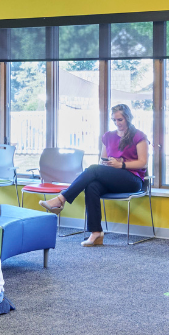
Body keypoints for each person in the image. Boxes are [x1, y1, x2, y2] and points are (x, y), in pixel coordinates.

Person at [37, 102, 148, 246]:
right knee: (92, 186)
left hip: (133, 180)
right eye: (114, 120)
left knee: (93, 169)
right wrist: (107, 164)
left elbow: (143, 162)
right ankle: (96, 233)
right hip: (113, 178)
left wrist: (121, 165)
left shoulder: (139, 136)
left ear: (128, 118)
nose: (117, 123)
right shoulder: (108, 136)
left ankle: (61, 199)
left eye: (120, 120)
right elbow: (103, 160)